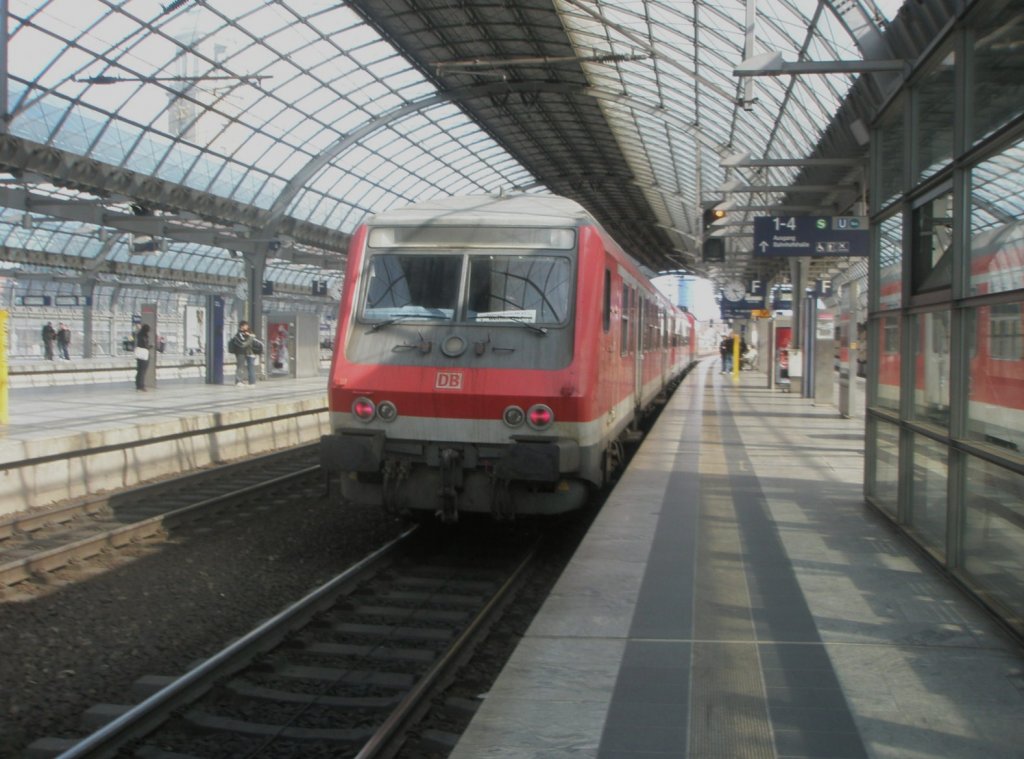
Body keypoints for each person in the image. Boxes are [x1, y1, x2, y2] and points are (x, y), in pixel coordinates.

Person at [230, 320, 261, 386]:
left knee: (251, 367)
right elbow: (243, 344)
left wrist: (250, 336)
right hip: (240, 352)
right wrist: (250, 337)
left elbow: (253, 342)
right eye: (245, 325)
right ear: (241, 326)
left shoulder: (249, 333)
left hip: (249, 353)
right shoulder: (238, 335)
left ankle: (252, 382)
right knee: (240, 367)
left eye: (247, 325)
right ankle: (238, 381)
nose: (247, 327)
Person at [135, 324, 152, 392]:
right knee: (143, 371)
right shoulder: (144, 336)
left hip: (138, 354)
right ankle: (141, 386)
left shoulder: (139, 334)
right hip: (144, 354)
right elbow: (145, 346)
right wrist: (151, 346)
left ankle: (137, 385)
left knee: (139, 370)